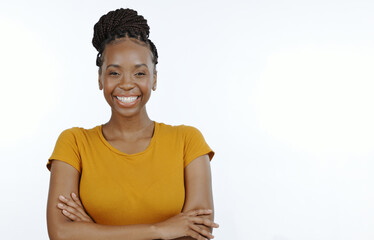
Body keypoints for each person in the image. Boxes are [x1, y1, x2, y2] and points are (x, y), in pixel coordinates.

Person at [46, 8, 218, 240]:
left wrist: (93, 229)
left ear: (154, 79)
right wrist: (162, 229)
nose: (127, 84)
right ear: (100, 79)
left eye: (139, 74)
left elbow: (198, 232)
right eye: (114, 73)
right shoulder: (74, 143)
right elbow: (61, 233)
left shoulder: (188, 141)